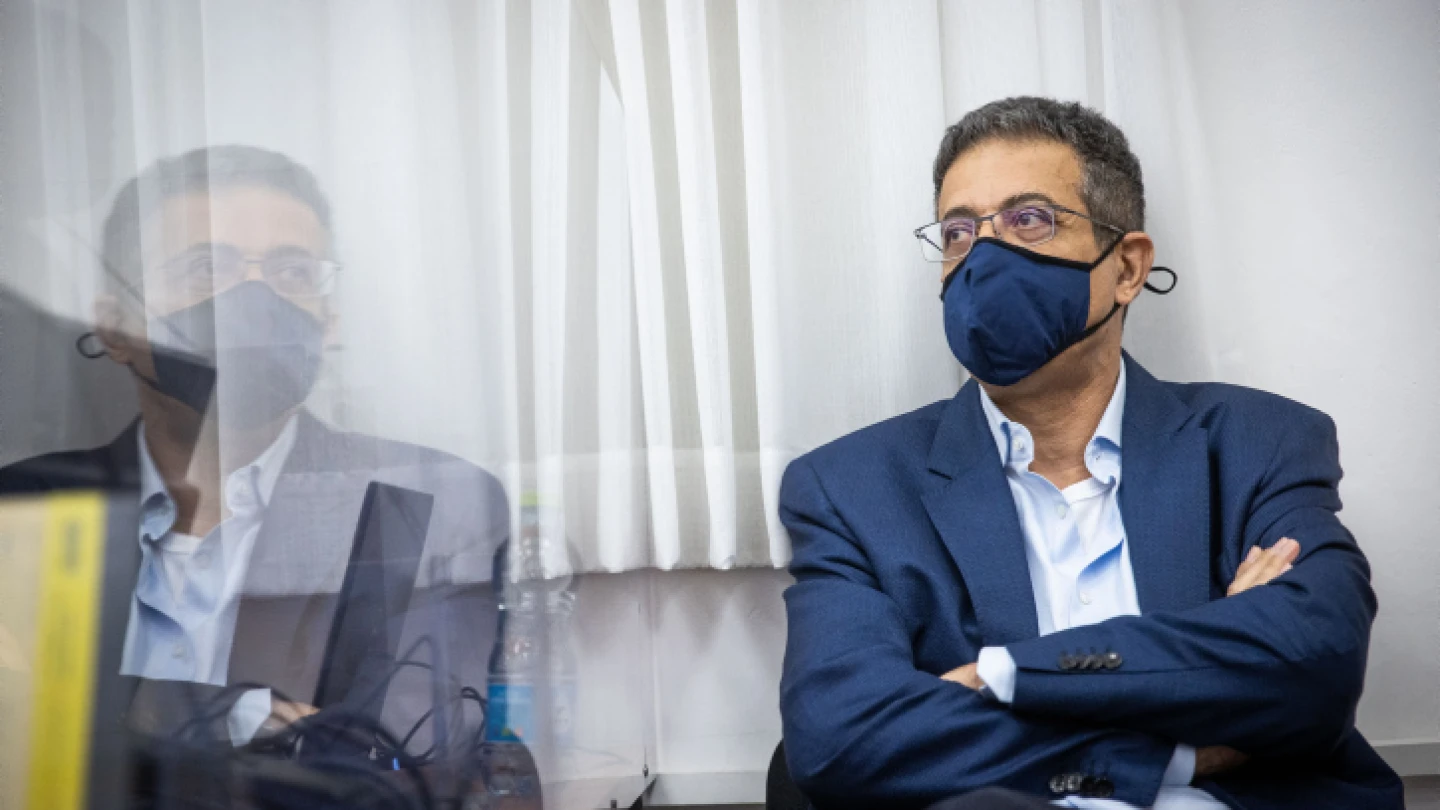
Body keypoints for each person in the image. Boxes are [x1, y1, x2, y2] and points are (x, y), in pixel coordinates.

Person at [777, 97, 1403, 810]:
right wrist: (1180, 737)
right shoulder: (849, 489)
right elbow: (842, 738)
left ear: (1128, 267)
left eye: (1028, 220)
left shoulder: (1261, 440)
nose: (982, 257)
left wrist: (999, 675)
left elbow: (1315, 662)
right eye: (958, 231)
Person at [0, 146, 508, 760]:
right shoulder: (24, 511)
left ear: (329, 321)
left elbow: (408, 744)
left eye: (292, 272)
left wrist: (120, 711)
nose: (255, 300)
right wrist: (238, 714)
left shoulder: (428, 501)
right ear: (115, 329)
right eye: (205, 268)